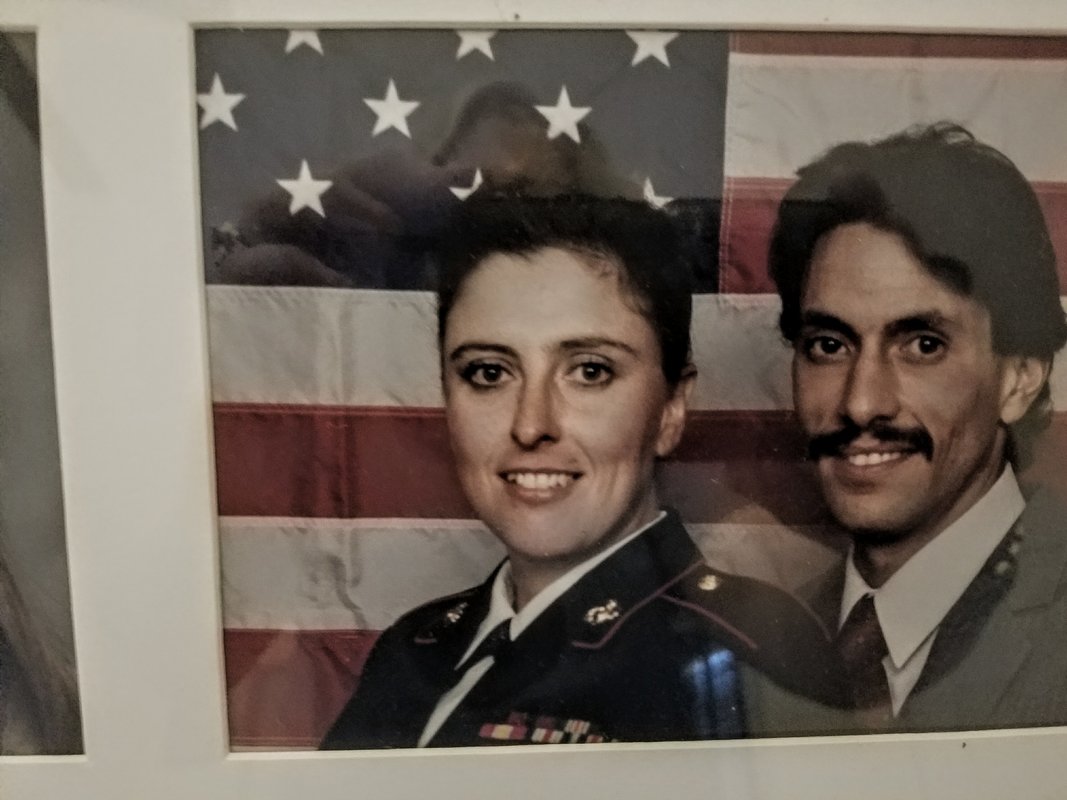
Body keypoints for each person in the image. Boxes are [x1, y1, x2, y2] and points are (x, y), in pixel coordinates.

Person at [321, 195, 844, 749]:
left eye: (590, 371)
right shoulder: (413, 650)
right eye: (489, 373)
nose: (531, 425)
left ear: (671, 409)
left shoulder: (739, 651)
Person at [769, 122, 1067, 731]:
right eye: (829, 344)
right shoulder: (764, 642)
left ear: (1019, 379)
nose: (861, 404)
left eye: (923, 345)